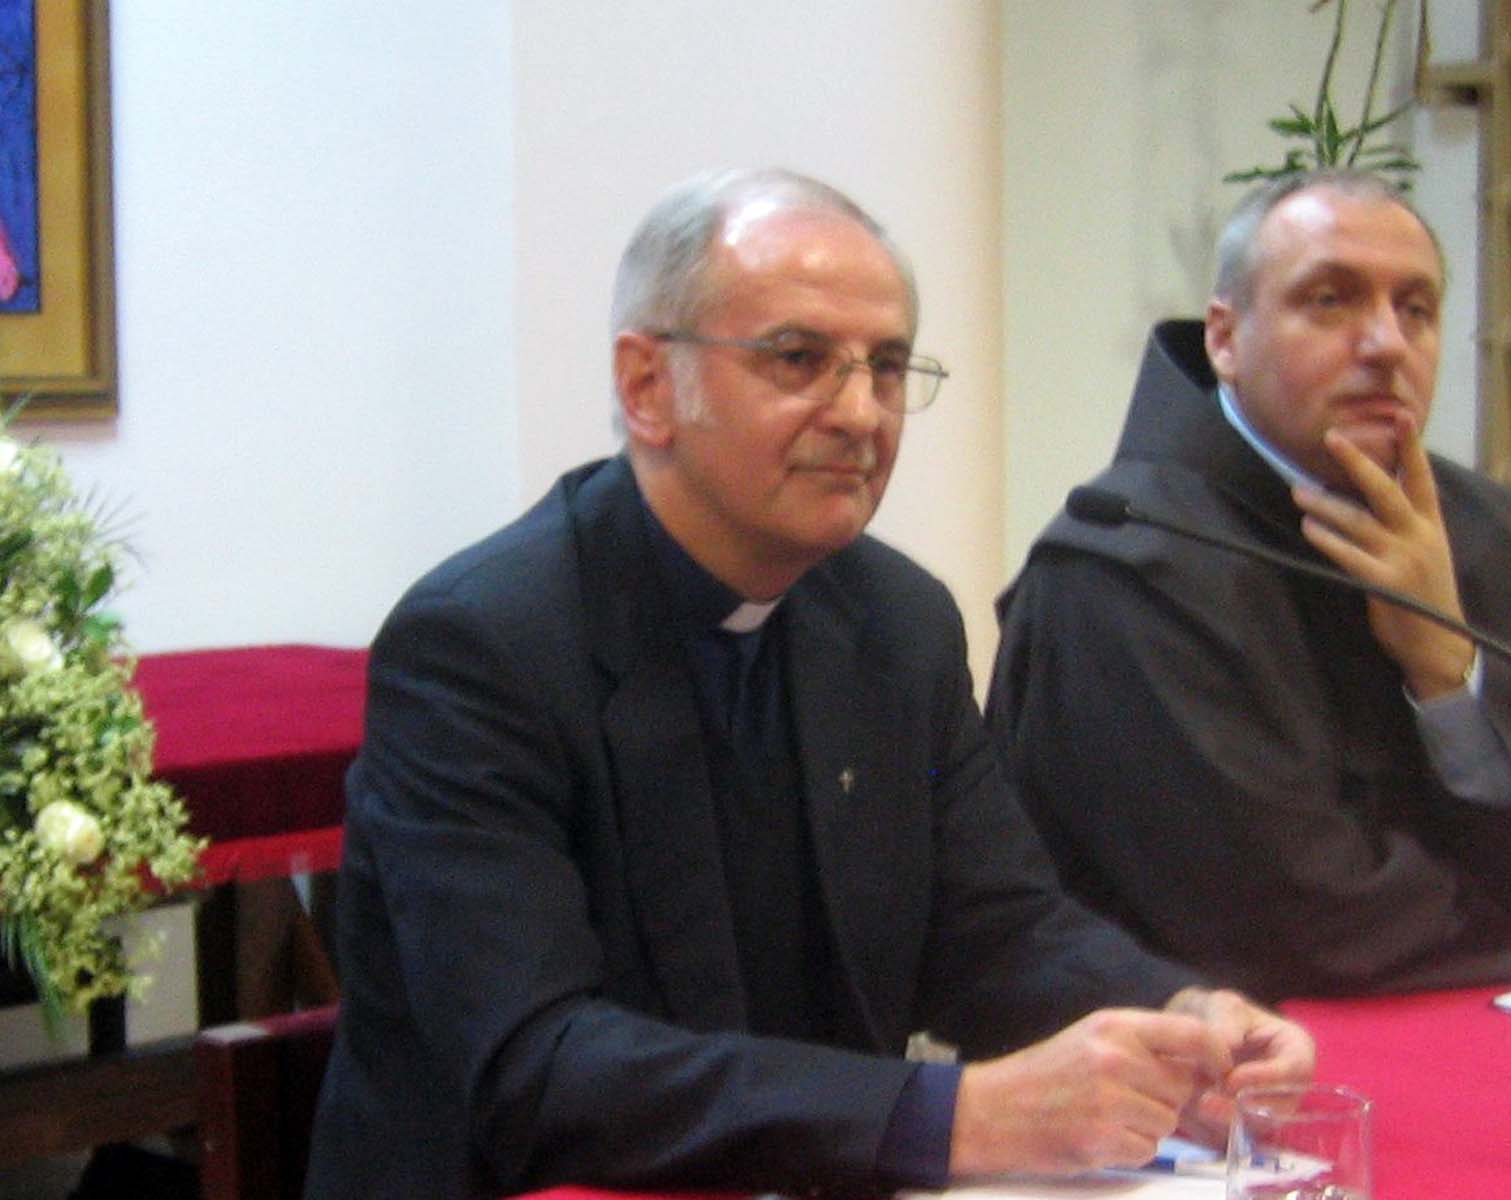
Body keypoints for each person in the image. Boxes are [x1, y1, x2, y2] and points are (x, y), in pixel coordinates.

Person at [305, 168, 1313, 1200]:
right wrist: (957, 1115)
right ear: (648, 387)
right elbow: (539, 1066)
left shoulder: (897, 621)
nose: (861, 413)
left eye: (887, 367)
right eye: (799, 360)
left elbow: (995, 930)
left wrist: (1178, 1017)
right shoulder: (480, 645)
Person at [987, 169, 1511, 1003]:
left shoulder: (1493, 534)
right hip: (1209, 1061)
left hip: (1477, 1012)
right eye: (1330, 300)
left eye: (1415, 309)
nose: (1386, 344)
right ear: (1225, 339)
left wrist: (1448, 672)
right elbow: (1292, 920)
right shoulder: (1121, 572)